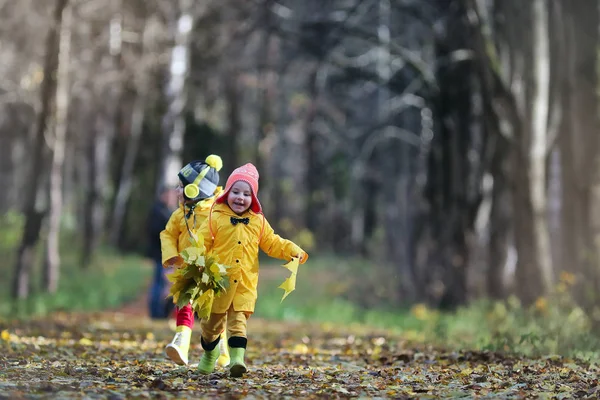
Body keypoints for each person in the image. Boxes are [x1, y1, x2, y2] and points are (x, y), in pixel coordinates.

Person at [194, 163, 308, 377]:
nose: (240, 198)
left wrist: (292, 250)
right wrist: (198, 263)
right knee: (210, 326)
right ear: (227, 192)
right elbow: (201, 242)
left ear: (253, 198)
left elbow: (273, 242)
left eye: (246, 194)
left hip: (244, 283)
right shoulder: (215, 216)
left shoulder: (258, 221)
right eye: (235, 192)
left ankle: (237, 360)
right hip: (217, 283)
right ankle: (210, 353)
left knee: (238, 323)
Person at [160, 154, 230, 367]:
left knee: (213, 314)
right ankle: (181, 343)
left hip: (210, 270)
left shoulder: (215, 213)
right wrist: (172, 255)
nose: (176, 192)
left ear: (194, 190)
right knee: (185, 302)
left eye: (181, 187)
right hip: (188, 269)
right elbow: (168, 234)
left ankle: (223, 351)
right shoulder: (179, 215)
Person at [147, 186, 178, 319]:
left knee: (166, 284)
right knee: (160, 284)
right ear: (163, 195)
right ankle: (156, 313)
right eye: (169, 195)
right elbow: (156, 233)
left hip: (168, 254)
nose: (172, 198)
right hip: (161, 254)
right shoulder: (157, 211)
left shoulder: (170, 211)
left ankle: (162, 313)